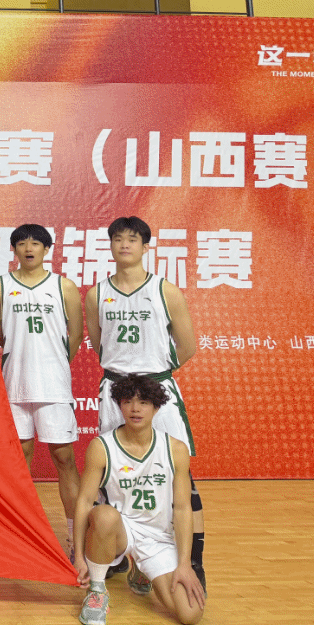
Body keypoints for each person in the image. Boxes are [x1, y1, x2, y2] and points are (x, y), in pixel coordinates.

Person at [85, 216, 206, 590]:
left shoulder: (165, 290)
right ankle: (117, 553)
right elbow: (100, 343)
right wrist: (126, 381)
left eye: (132, 239)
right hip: (115, 391)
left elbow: (187, 346)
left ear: (145, 246)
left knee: (177, 476)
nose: (125, 244)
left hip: (156, 391)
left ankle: (193, 561)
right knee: (110, 474)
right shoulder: (96, 294)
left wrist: (151, 378)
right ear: (110, 245)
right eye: (118, 238)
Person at [73, 374, 205, 625]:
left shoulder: (176, 449)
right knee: (103, 515)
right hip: (120, 530)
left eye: (143, 402)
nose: (135, 408)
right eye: (128, 401)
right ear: (119, 405)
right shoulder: (101, 447)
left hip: (158, 537)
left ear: (156, 407)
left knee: (191, 614)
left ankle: (140, 569)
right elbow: (84, 502)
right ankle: (97, 591)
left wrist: (184, 564)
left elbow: (182, 508)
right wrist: (79, 556)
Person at [0, 224, 83, 557]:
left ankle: (75, 538)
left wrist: (54, 366)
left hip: (53, 386)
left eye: (36, 243)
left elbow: (75, 335)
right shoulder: (1, 285)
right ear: (13, 249)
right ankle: (21, 535)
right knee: (19, 461)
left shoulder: (63, 286)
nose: (29, 248)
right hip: (15, 384)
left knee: (64, 459)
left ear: (47, 249)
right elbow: (0, 335)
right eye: (22, 243)